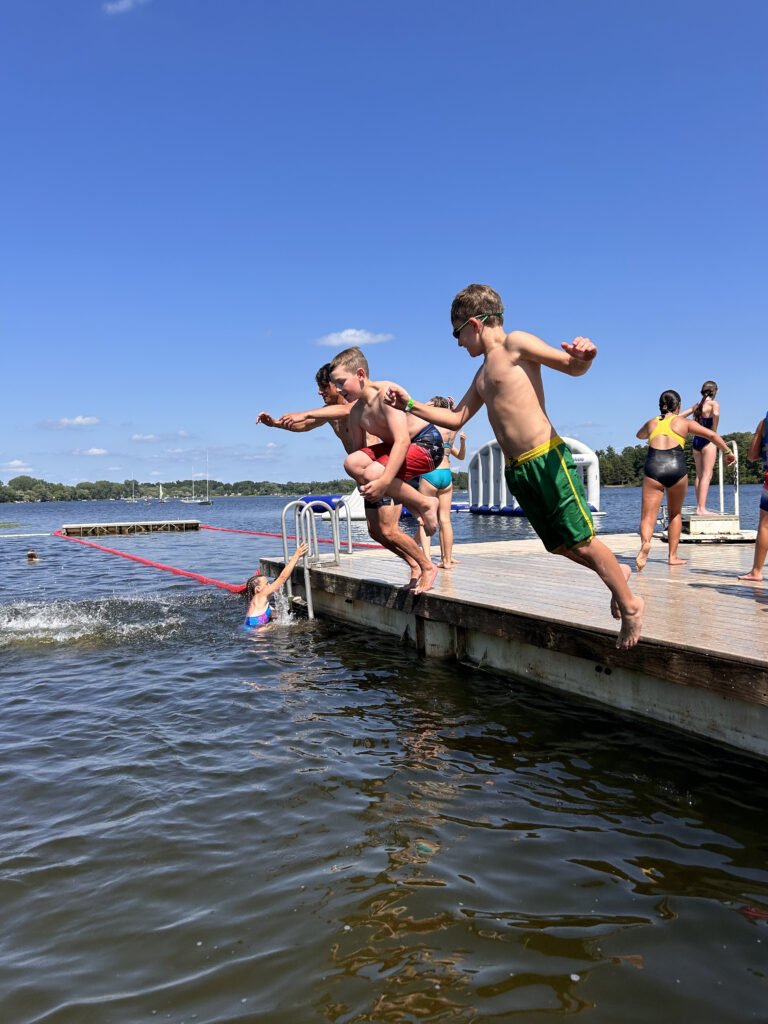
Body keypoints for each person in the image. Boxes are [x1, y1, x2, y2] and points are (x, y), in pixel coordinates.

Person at [385, 282, 644, 649]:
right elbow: (456, 418)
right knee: (558, 545)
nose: (458, 343)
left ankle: (630, 605)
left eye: (457, 334)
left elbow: (570, 366)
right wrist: (410, 405)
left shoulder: (516, 344)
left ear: (474, 324)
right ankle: (618, 576)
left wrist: (586, 356)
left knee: (582, 540)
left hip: (547, 460)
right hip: (519, 470)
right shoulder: (481, 375)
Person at [256, 360, 436, 592]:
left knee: (389, 529)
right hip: (365, 474)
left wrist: (304, 413)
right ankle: (414, 564)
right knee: (375, 531)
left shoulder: (357, 404)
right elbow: (305, 425)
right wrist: (276, 424)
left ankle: (425, 564)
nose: (320, 392)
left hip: (384, 470)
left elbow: (342, 410)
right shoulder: (330, 413)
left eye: (325, 387)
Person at [328, 347, 444, 593]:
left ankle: (425, 507)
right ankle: (414, 563)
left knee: (372, 475)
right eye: (335, 385)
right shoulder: (357, 412)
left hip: (425, 444)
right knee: (375, 529)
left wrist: (380, 482)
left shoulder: (386, 394)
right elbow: (358, 458)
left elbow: (402, 440)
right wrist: (368, 486)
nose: (338, 390)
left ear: (360, 374)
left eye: (341, 383)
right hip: (394, 453)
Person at [635, 390, 735, 572]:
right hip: (675, 466)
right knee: (675, 514)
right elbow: (712, 435)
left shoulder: (651, 422)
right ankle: (672, 557)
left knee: (647, 516)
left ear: (660, 406)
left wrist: (654, 428)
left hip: (654, 465)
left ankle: (646, 543)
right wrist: (727, 452)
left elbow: (639, 435)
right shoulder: (684, 422)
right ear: (678, 406)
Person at [414, 397, 467, 569]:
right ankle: (446, 560)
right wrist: (452, 408)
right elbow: (458, 416)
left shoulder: (430, 423)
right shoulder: (452, 427)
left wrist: (426, 406)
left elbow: (416, 413)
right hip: (446, 475)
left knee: (423, 519)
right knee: (445, 520)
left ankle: (427, 559)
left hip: (430, 473)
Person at [242, 542, 309, 631]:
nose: (270, 585)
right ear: (258, 589)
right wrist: (297, 555)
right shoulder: (259, 596)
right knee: (273, 627)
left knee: (276, 626)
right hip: (253, 631)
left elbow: (280, 615)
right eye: (266, 584)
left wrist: (290, 601)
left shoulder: (264, 604)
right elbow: (282, 578)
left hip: (253, 629)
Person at [737, 413, 768, 583]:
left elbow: (752, 455)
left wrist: (759, 435)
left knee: (765, 525)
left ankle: (756, 571)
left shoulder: (764, 423)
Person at [684, 381, 721, 515]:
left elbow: (682, 415)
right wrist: (714, 430)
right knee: (707, 474)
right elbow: (715, 414)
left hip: (696, 441)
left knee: (699, 475)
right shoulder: (713, 404)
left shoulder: (698, 405)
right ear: (715, 391)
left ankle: (699, 506)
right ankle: (701, 508)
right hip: (708, 439)